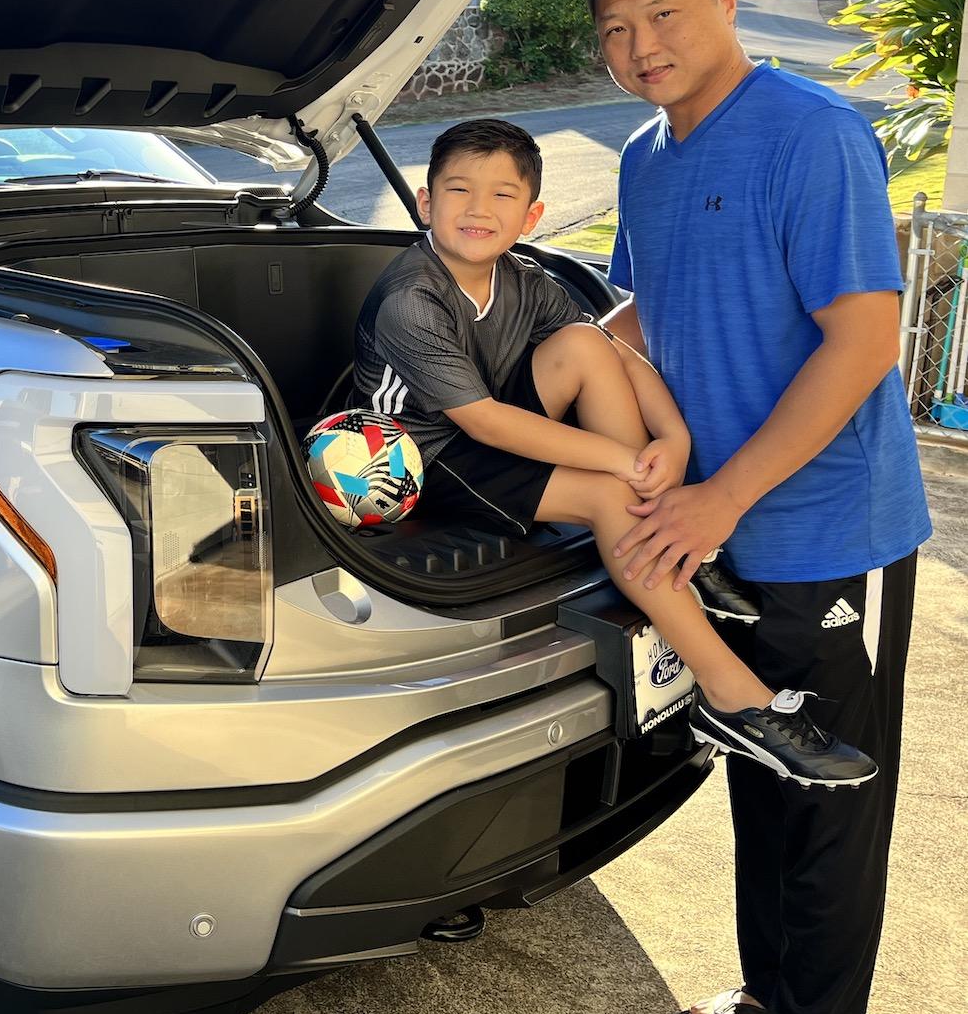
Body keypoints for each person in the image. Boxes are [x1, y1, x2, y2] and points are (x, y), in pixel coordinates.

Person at [586, 0, 929, 1014]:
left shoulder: (808, 134)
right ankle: (765, 1003)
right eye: (616, 30)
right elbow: (638, 312)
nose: (641, 45)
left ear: (726, 4)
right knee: (763, 769)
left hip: (828, 529)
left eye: (662, 15)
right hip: (712, 532)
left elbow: (864, 342)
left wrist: (723, 494)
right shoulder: (645, 156)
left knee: (833, 801)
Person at [350, 117, 873, 786]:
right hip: (425, 457)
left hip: (493, 422)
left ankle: (660, 537)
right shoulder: (411, 299)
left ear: (532, 212)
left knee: (587, 344)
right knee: (608, 492)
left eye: (502, 195)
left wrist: (672, 440)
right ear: (426, 202)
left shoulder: (522, 277)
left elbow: (616, 351)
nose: (479, 209)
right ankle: (732, 695)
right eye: (458, 190)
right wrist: (624, 462)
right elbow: (484, 424)